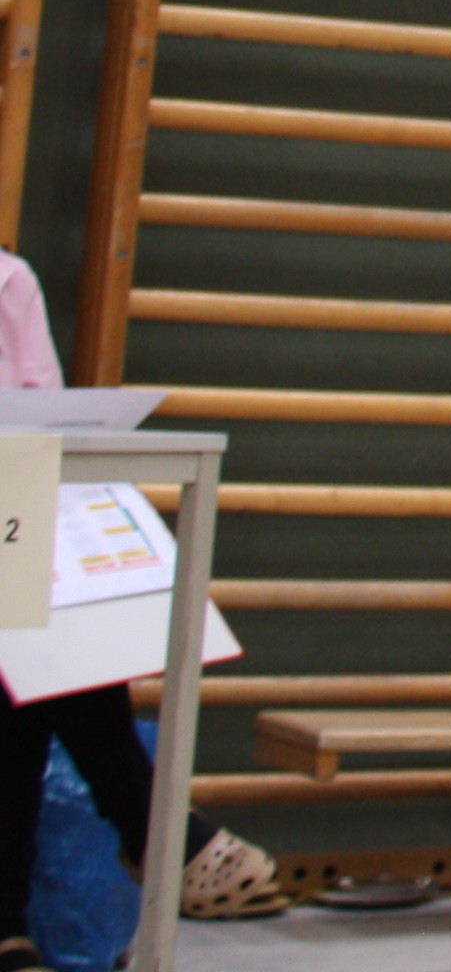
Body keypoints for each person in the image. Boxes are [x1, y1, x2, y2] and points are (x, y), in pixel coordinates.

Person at [0, 247, 283, 968]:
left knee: (27, 618)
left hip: (8, 532)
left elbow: (46, 429)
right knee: (19, 625)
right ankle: (152, 824)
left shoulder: (7, 278)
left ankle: (10, 922)